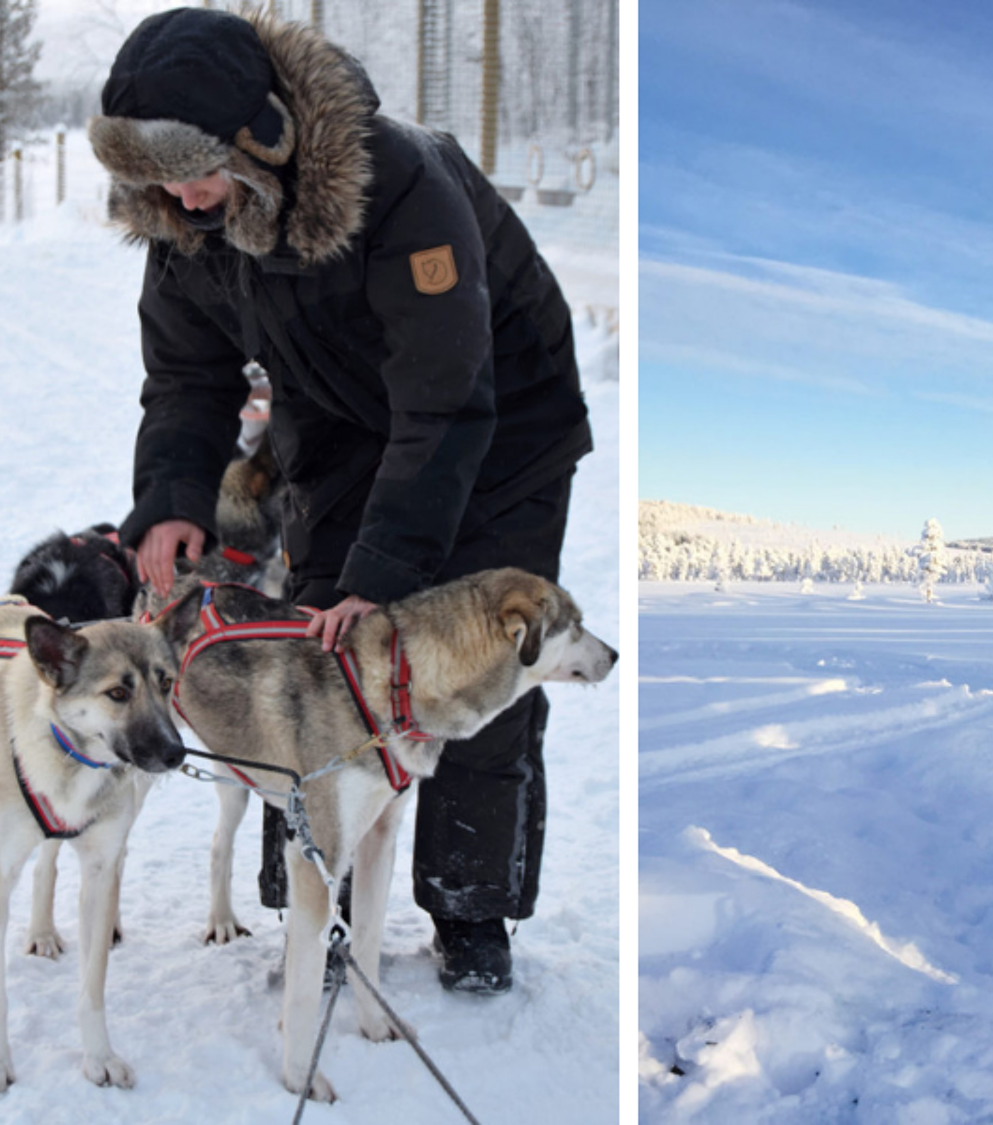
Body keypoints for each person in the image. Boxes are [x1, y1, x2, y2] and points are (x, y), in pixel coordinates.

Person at [90, 7, 590, 994]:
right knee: (314, 666)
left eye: (196, 170)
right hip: (339, 422)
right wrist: (175, 497)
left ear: (260, 136)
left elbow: (446, 399)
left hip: (503, 427)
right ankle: (312, 908)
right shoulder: (184, 222)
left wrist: (385, 576)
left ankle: (469, 906)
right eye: (157, 182)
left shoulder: (400, 184)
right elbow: (188, 379)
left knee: (480, 669)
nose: (183, 199)